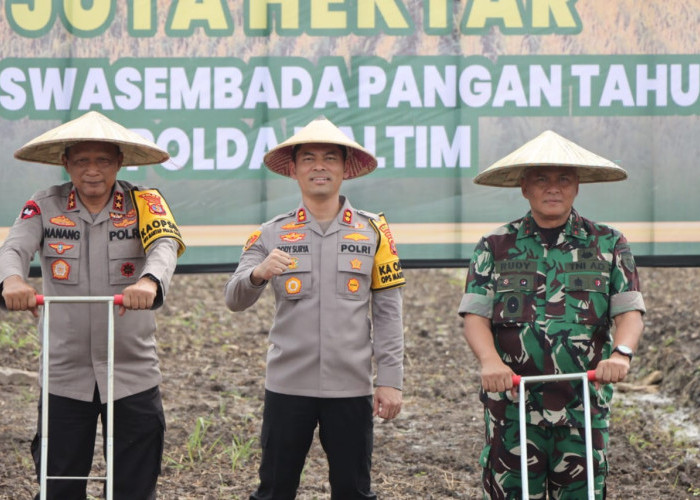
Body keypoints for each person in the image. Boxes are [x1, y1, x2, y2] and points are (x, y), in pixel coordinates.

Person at [0, 111, 186, 499]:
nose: (92, 171)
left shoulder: (145, 202)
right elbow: (15, 247)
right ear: (66, 163)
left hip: (132, 369)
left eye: (103, 160)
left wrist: (149, 282)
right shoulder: (43, 205)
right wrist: (13, 281)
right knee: (59, 485)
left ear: (119, 162)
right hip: (65, 372)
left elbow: (164, 247)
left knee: (134, 487)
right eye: (82, 161)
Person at [224, 116, 405, 499]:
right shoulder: (271, 232)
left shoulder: (374, 231)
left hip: (351, 387)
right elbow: (234, 298)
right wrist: (258, 273)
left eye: (329, 158)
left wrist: (390, 380)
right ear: (293, 170)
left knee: (353, 490)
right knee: (275, 489)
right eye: (308, 158)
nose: (319, 167)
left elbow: (388, 312)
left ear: (344, 169)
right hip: (288, 386)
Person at [458, 130, 645, 499]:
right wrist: (490, 361)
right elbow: (474, 315)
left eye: (563, 179)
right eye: (541, 179)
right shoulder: (495, 246)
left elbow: (629, 312)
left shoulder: (608, 243)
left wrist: (620, 354)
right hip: (512, 408)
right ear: (524, 187)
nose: (553, 188)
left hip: (582, 407)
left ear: (577, 186)